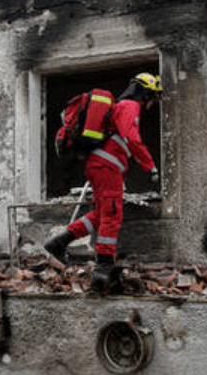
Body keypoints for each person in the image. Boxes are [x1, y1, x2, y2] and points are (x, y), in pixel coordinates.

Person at [44, 73, 162, 293]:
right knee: (112, 215)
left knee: (100, 214)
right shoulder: (129, 105)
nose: (152, 103)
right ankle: (103, 267)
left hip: (100, 165)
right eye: (153, 97)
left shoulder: (119, 106)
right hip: (107, 167)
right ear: (145, 92)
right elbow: (132, 137)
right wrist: (150, 166)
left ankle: (59, 242)